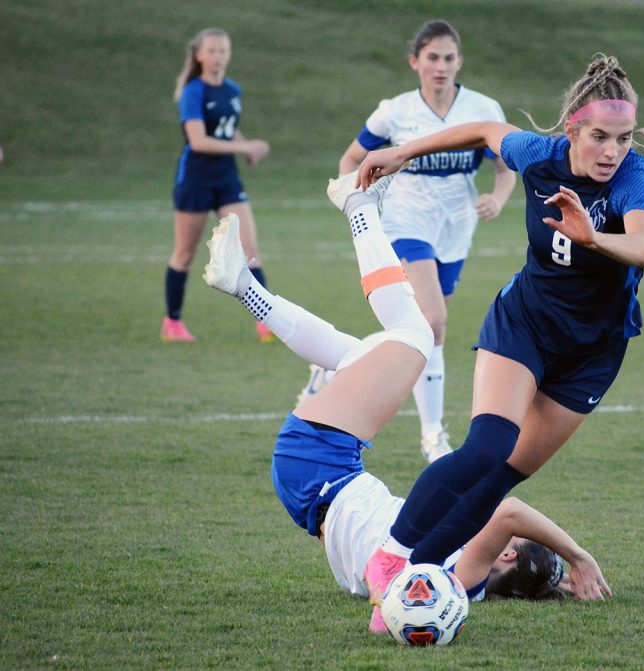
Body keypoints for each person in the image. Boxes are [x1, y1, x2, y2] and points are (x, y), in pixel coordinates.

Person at [201, 172, 610, 634]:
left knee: (417, 335)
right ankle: (244, 284)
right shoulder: (441, 581)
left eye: (512, 542)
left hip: (321, 461)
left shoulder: (465, 570)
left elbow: (510, 511)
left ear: (508, 555)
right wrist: (551, 581)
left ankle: (358, 208)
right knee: (357, 356)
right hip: (311, 484)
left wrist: (577, 556)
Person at [353, 54, 644, 618]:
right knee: (487, 448)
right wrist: (402, 152)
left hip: (592, 353)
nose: (612, 151)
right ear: (572, 130)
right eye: (599, 137)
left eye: (623, 138)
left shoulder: (633, 177)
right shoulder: (539, 155)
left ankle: (409, 587)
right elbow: (483, 130)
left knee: (499, 478)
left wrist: (593, 238)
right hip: (525, 325)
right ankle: (391, 558)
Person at [299, 20, 516, 463]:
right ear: (414, 61)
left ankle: (334, 365)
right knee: (432, 323)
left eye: (449, 58)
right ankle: (433, 436)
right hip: (405, 223)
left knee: (416, 329)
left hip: (455, 230)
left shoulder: (482, 109)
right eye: (432, 57)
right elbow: (351, 157)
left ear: (460, 62)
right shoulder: (394, 112)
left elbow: (504, 168)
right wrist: (355, 201)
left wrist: (498, 197)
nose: (441, 66)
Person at [162, 27, 273, 343]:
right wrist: (244, 147)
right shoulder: (193, 91)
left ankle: (268, 322)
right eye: (211, 50)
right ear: (198, 55)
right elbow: (198, 141)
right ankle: (172, 323)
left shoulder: (233, 90)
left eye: (223, 50)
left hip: (227, 178)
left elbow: (226, 129)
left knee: (249, 251)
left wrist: (245, 147)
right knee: (185, 254)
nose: (217, 56)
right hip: (195, 179)